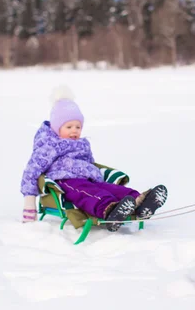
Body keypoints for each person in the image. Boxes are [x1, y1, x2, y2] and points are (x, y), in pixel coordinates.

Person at [20, 86, 168, 232]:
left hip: (89, 178)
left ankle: (139, 203)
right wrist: (29, 203)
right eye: (69, 126)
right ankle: (108, 210)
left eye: (78, 127)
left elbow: (90, 162)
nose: (74, 131)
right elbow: (31, 170)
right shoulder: (50, 146)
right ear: (57, 128)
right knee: (89, 193)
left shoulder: (83, 144)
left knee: (112, 189)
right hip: (66, 181)